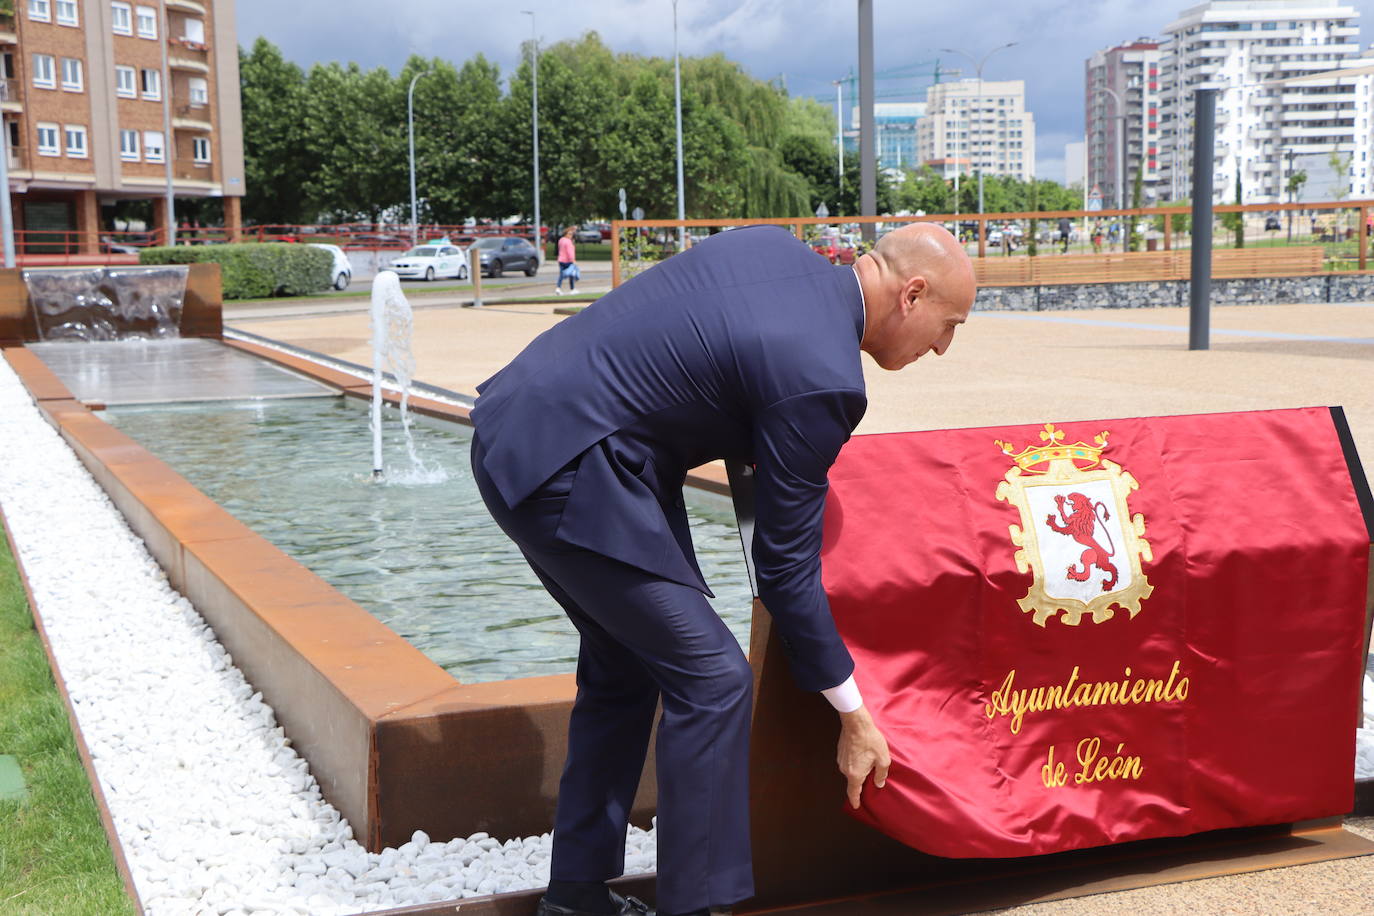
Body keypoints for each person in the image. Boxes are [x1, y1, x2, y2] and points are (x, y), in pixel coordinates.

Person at [470, 223, 975, 916]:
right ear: (911, 294)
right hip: (575, 471)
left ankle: (576, 897)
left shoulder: (769, 247)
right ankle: (694, 907)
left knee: (623, 671)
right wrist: (855, 714)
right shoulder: (825, 376)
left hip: (518, 429)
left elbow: (712, 363)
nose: (944, 347)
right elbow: (786, 569)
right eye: (948, 326)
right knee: (714, 679)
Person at [556, 226, 579, 295]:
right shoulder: (568, 242)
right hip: (568, 261)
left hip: (561, 260)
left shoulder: (561, 240)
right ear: (566, 234)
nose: (571, 235)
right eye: (569, 234)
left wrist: (573, 229)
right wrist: (573, 260)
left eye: (571, 234)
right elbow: (570, 252)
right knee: (571, 275)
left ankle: (558, 288)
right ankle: (572, 289)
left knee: (561, 275)